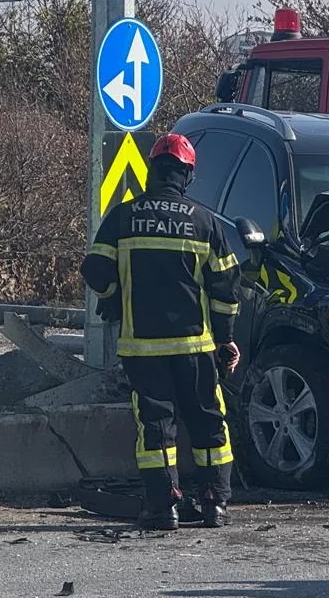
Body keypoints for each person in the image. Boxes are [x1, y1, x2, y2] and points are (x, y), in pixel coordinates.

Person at [80, 133, 242, 532]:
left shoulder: (123, 216)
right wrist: (225, 338)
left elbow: (95, 271)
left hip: (142, 346)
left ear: (153, 170)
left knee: (155, 425)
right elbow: (226, 288)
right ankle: (213, 504)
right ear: (188, 174)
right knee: (208, 422)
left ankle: (162, 506)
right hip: (196, 348)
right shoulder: (205, 222)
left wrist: (115, 295)